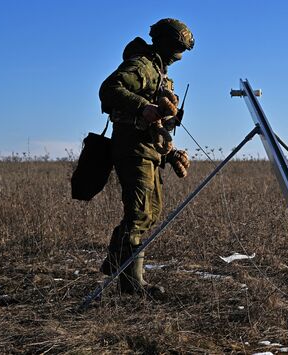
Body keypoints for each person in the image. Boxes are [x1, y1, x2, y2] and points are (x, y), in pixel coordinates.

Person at [98, 18, 194, 296]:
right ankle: (131, 283)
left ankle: (118, 260)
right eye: (179, 49)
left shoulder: (160, 72)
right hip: (133, 148)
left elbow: (157, 120)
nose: (180, 56)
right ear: (167, 43)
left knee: (151, 212)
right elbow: (109, 89)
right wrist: (143, 107)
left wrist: (171, 150)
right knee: (139, 213)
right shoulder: (141, 66)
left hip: (150, 149)